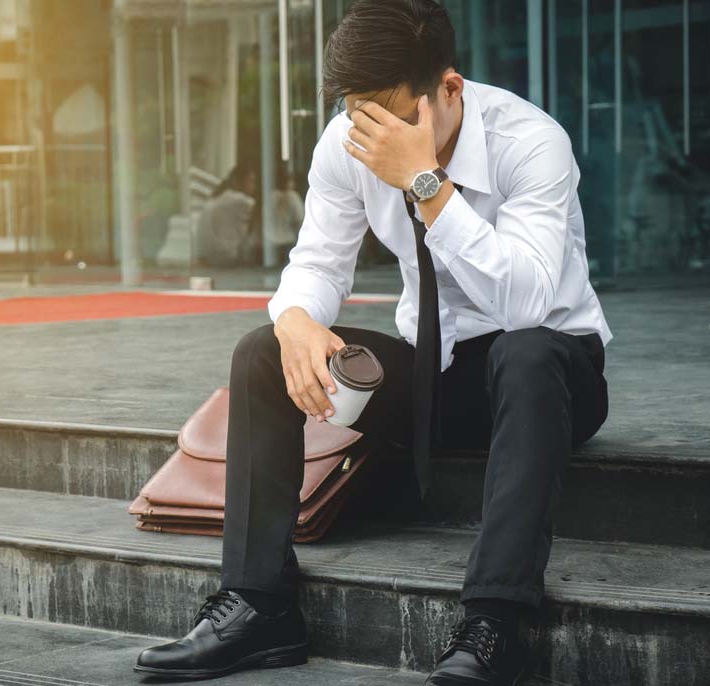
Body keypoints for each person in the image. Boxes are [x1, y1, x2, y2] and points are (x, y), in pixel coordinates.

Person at [134, 2, 611, 684]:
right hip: (438, 377)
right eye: (360, 112)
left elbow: (527, 301)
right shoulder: (346, 142)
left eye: (390, 114)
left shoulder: (530, 142)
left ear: (448, 89)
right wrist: (296, 318)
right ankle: (258, 605)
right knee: (262, 352)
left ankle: (495, 624)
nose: (373, 132)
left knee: (526, 351)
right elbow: (320, 261)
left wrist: (427, 185)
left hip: (554, 379)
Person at [194, 163, 259, 267]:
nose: (254, 187)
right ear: (239, 182)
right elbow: (257, 208)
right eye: (251, 181)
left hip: (210, 256)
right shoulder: (239, 200)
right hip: (224, 259)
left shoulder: (219, 198)